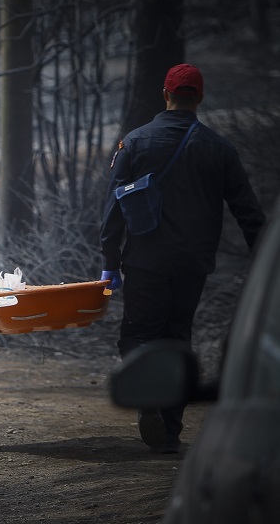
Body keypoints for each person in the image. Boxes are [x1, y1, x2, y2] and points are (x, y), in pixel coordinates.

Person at [99, 63, 265, 453]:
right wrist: (264, 270)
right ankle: (170, 431)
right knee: (178, 337)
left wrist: (109, 260)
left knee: (139, 334)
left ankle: (148, 401)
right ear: (200, 98)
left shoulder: (135, 142)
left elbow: (113, 210)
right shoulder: (220, 149)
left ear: (165, 94)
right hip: (193, 264)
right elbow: (250, 214)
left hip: (143, 260)